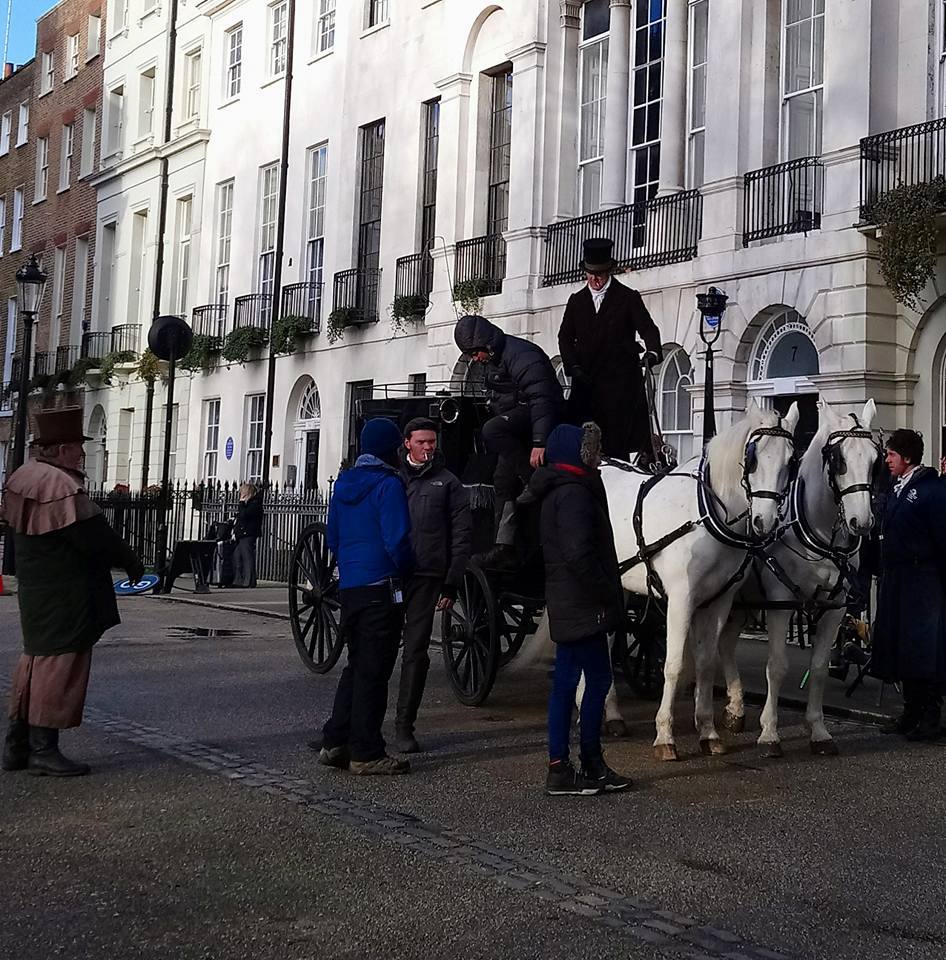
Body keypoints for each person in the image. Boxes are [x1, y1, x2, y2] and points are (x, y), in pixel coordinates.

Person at [1, 408, 144, 776]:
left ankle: (18, 744)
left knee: (34, 660)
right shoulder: (59, 487)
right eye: (78, 447)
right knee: (59, 667)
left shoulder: (24, 477)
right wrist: (130, 561)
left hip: (38, 590)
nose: (82, 454)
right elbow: (96, 536)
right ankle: (42, 750)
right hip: (65, 593)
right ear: (61, 448)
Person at [529, 421, 631, 795]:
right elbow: (578, 553)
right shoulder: (573, 492)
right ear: (578, 453)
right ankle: (590, 763)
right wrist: (605, 594)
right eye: (591, 449)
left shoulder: (562, 487)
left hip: (569, 599)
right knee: (598, 681)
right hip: (582, 601)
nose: (597, 455)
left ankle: (562, 766)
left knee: (565, 683)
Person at [318, 418, 415, 775]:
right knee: (375, 671)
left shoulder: (343, 484)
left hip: (352, 588)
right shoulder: (387, 485)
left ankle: (335, 740)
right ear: (391, 450)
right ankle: (366, 751)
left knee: (357, 665)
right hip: (382, 586)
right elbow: (398, 539)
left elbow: (333, 539)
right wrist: (409, 570)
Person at [454, 314, 563, 568]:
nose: (474, 359)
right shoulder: (495, 359)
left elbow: (542, 399)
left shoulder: (522, 355)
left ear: (486, 346)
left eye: (474, 353)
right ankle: (505, 546)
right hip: (518, 427)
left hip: (538, 423)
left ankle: (532, 480)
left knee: (491, 430)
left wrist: (540, 441)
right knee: (502, 480)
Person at [395, 417, 473, 753]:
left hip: (428, 575)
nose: (428, 447)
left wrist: (451, 583)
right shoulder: (392, 478)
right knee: (377, 650)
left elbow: (461, 535)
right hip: (392, 575)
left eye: (432, 442)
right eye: (422, 441)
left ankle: (403, 726)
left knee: (415, 651)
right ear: (407, 443)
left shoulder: (448, 483)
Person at [558, 238, 663, 460]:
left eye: (600, 274)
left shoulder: (627, 297)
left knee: (619, 442)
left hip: (619, 384)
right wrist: (572, 366)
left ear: (609, 271)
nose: (595, 279)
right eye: (590, 274)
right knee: (583, 439)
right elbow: (564, 337)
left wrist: (653, 352)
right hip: (586, 382)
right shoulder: (576, 301)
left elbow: (647, 328)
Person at [872, 429, 946, 741]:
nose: (886, 460)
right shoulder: (895, 488)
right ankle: (910, 712)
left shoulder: (931, 490)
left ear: (907, 458)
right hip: (897, 577)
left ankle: (930, 716)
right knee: (901, 646)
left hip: (923, 579)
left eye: (891, 455)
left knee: (924, 649)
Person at [232, 483, 262, 588]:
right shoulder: (248, 504)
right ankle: (238, 580)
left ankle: (249, 581)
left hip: (248, 534)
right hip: (242, 534)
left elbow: (245, 515)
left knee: (247, 558)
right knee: (238, 556)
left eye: (242, 492)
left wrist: (241, 504)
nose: (241, 494)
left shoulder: (254, 503)